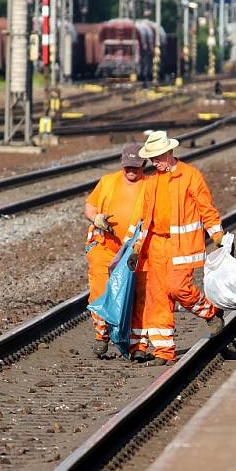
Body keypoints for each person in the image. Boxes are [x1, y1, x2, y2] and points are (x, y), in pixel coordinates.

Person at [127, 130, 226, 366]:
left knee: (178, 288)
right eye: (152, 159)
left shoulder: (191, 176)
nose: (155, 163)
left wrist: (218, 236)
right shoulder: (151, 182)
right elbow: (144, 219)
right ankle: (163, 352)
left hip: (183, 246)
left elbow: (206, 209)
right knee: (157, 298)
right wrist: (135, 249)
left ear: (170, 152)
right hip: (156, 247)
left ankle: (210, 312)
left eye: (158, 157)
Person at [84, 144, 148, 358]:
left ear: (144, 165)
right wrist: (97, 218)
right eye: (128, 167)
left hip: (134, 252)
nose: (131, 171)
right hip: (105, 248)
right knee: (100, 291)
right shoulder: (108, 182)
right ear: (122, 165)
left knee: (137, 295)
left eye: (136, 168)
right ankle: (101, 337)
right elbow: (89, 207)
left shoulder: (150, 186)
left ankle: (137, 344)